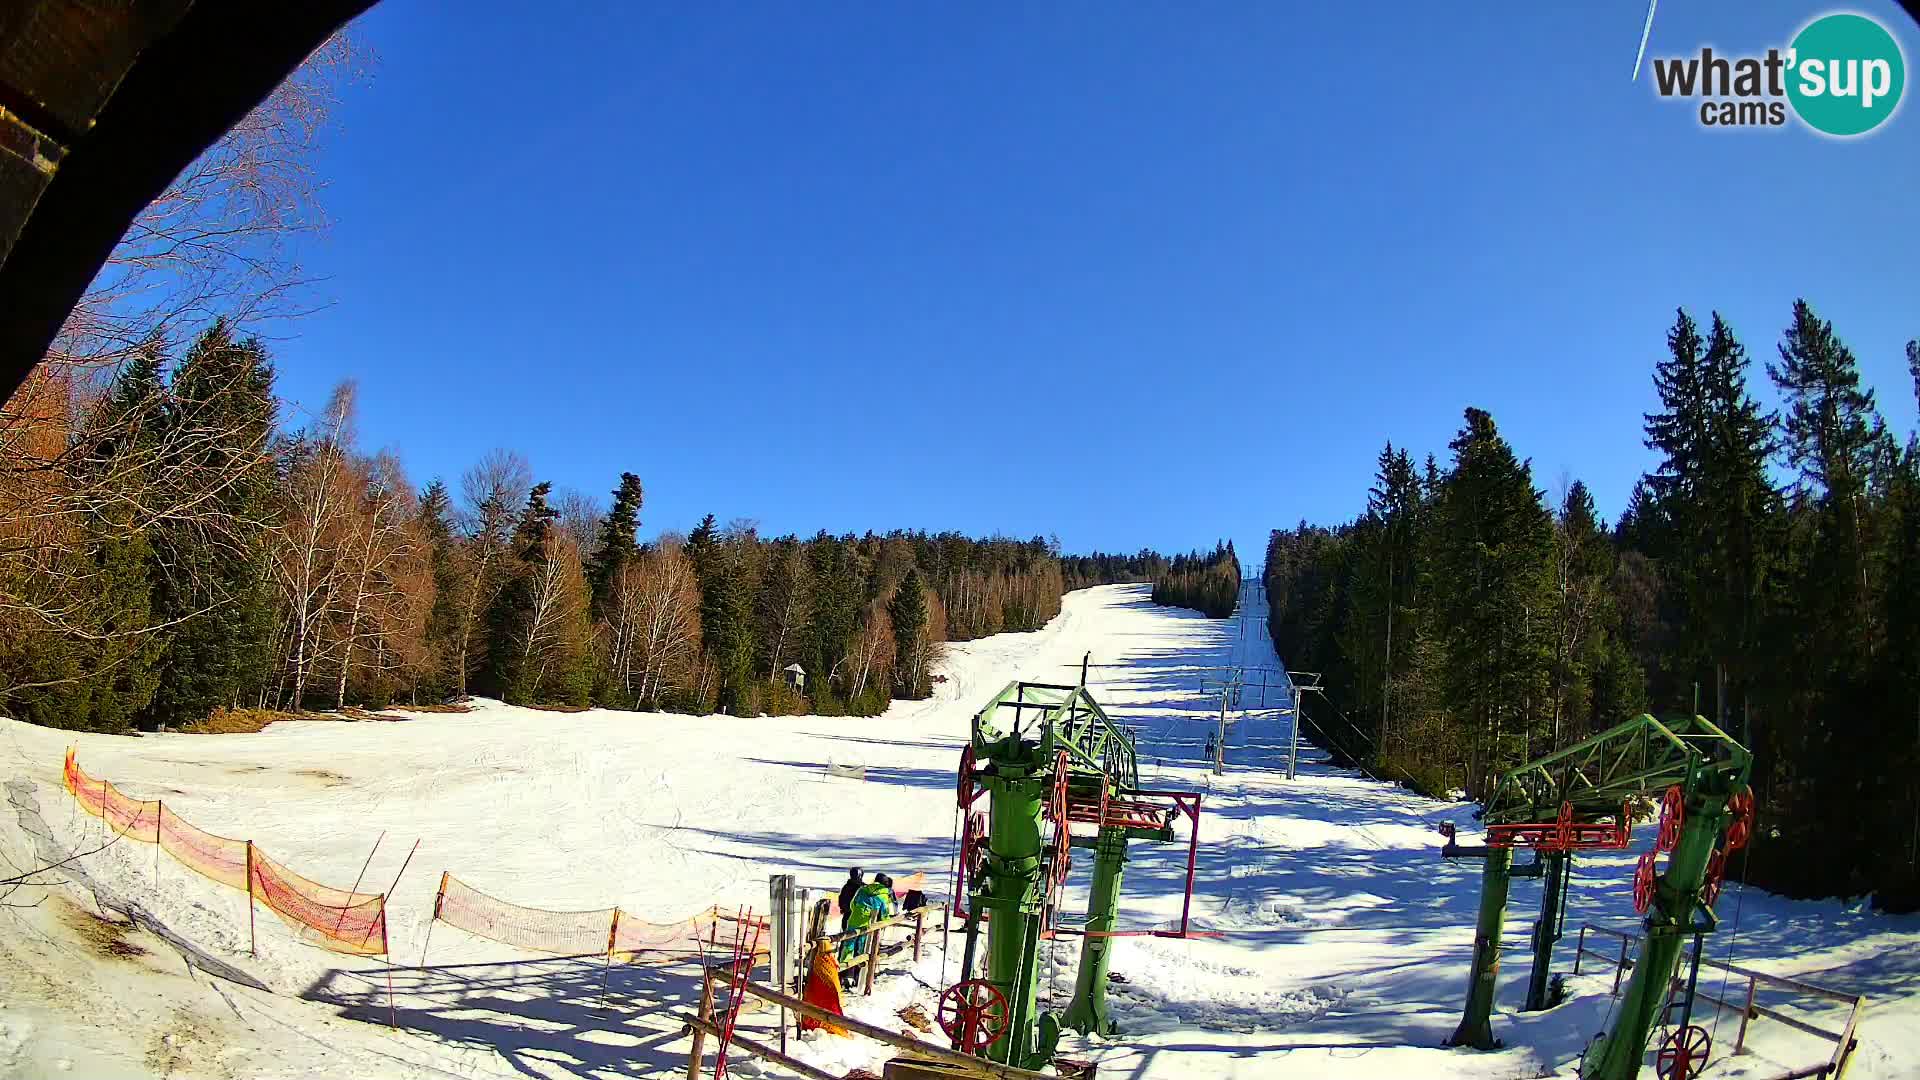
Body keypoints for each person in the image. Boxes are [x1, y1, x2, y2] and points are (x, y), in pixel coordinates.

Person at [839, 872, 897, 989]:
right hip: (868, 925)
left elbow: (852, 904)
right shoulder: (883, 895)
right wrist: (885, 922)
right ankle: (858, 977)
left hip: (854, 921)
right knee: (862, 950)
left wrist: (858, 913)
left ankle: (844, 973)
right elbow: (885, 912)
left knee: (848, 947)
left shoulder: (862, 889)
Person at [837, 867, 864, 934]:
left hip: (849, 914)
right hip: (856, 915)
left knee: (846, 932)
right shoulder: (862, 887)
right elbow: (841, 898)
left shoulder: (847, 886)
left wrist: (842, 908)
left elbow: (841, 898)